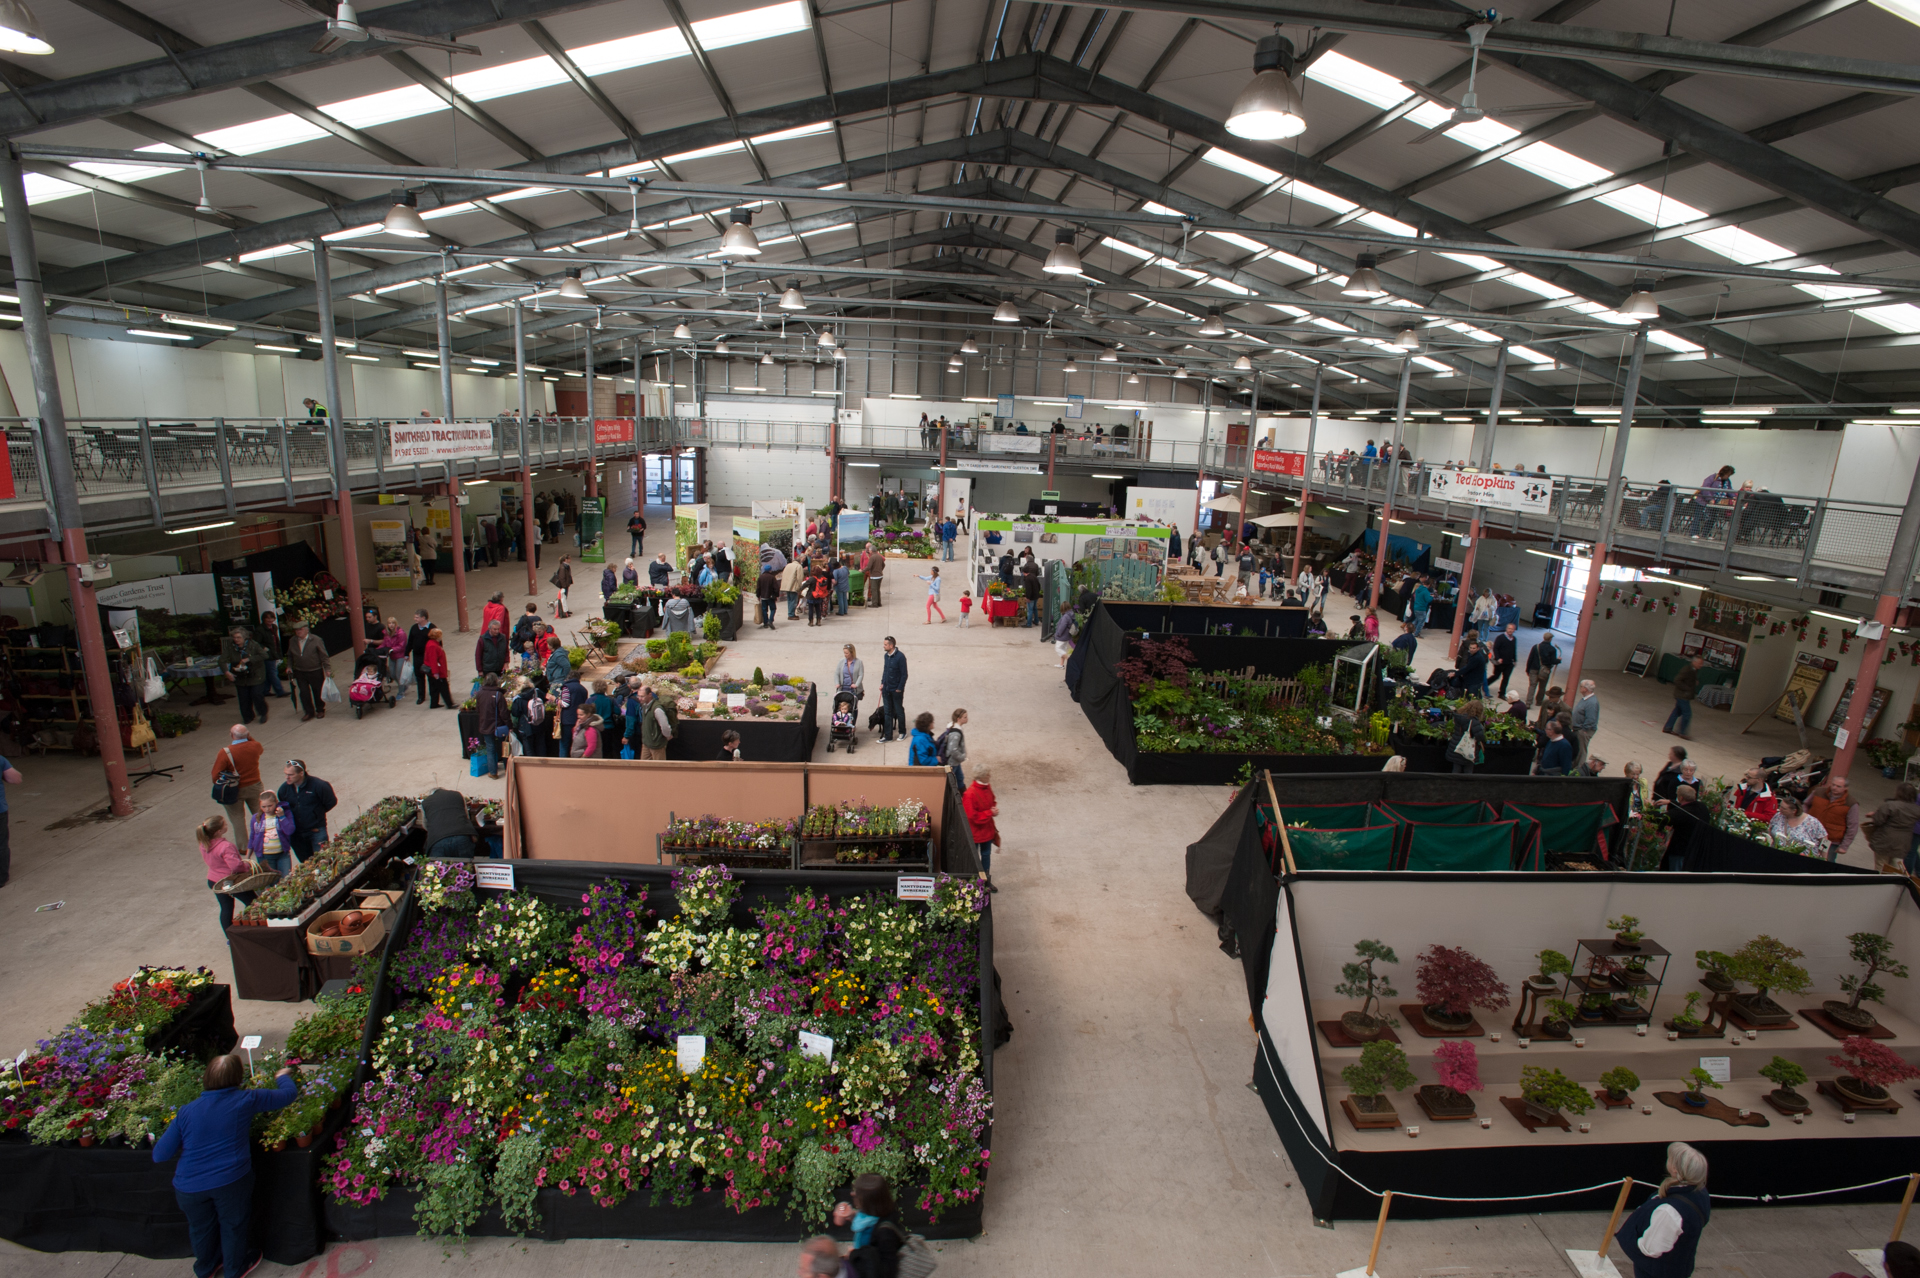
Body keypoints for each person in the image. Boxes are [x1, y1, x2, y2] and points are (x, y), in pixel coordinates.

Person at [153, 1053, 297, 1278]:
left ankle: (205, 1269)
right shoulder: (245, 1100)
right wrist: (282, 1075)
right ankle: (234, 1269)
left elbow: (160, 1155)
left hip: (188, 1187)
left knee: (200, 1228)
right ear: (238, 1078)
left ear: (206, 1077)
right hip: (230, 1181)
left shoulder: (186, 1111)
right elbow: (288, 1095)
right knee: (233, 1225)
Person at [1614, 1143, 1710, 1278]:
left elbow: (1651, 1248)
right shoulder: (1700, 1193)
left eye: (1670, 1158)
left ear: (1675, 1169)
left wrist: (1634, 1242)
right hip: (1680, 1267)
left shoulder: (1669, 1211)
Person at [196, 815, 253, 931]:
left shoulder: (204, 844)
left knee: (226, 908)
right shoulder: (226, 846)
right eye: (225, 825)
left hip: (214, 880)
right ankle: (253, 929)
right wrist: (246, 867)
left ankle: (230, 937)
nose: (227, 825)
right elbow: (235, 865)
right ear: (219, 832)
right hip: (230, 881)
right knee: (252, 902)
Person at [212, 724, 264, 842]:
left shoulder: (225, 753)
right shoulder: (255, 746)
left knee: (237, 818)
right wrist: (249, 738)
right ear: (248, 735)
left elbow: (215, 774)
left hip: (233, 789)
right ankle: (264, 840)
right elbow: (259, 749)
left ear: (231, 735)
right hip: (254, 785)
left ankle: (243, 847)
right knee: (259, 814)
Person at [277, 760, 337, 862]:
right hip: (297, 835)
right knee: (306, 863)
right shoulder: (284, 789)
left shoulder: (319, 786)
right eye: (286, 774)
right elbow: (284, 806)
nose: (287, 777)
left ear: (301, 773)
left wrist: (316, 814)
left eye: (290, 774)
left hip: (316, 831)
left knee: (323, 860)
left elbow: (331, 802)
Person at [1862, 781, 1920, 873]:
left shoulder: (1890, 805)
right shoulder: (1917, 810)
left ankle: (1879, 884)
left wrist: (1873, 815)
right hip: (1902, 843)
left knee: (1881, 867)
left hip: (1884, 840)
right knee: (1895, 869)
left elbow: (1878, 821)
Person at [220, 626, 270, 726]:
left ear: (244, 638)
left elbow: (265, 655)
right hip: (240, 675)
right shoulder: (230, 647)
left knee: (256, 694)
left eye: (238, 637)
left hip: (255, 674)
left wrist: (249, 659)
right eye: (234, 637)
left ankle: (263, 712)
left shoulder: (253, 645)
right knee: (243, 697)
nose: (236, 640)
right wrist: (226, 672)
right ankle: (247, 716)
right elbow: (221, 660)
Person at [1805, 775, 1860, 859]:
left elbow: (1853, 826)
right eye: (1833, 785)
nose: (1834, 788)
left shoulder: (1851, 803)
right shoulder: (1818, 792)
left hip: (1828, 840)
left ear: (1845, 788)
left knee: (1823, 861)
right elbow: (1806, 804)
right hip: (1809, 833)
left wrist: (1844, 846)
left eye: (1838, 786)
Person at [285, 620, 331, 721]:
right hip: (300, 671)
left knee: (317, 691)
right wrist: (289, 666)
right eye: (296, 630)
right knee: (304, 692)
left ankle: (320, 709)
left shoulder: (316, 640)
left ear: (307, 630)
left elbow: (324, 655)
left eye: (300, 630)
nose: (298, 632)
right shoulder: (292, 641)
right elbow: (289, 655)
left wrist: (327, 668)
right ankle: (308, 712)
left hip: (315, 670)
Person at [1663, 783, 1710, 871]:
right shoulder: (1702, 807)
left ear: (1681, 798)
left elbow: (1664, 818)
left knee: (1676, 875)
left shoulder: (1681, 813)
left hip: (1680, 851)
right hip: (1696, 850)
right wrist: (1672, 802)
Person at [248, 791, 296, 877]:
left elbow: (289, 830)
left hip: (282, 854)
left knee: (287, 878)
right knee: (271, 882)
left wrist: (282, 817)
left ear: (276, 803)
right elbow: (252, 837)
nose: (267, 809)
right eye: (263, 807)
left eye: (270, 806)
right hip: (265, 856)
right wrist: (247, 856)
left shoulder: (285, 813)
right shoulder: (256, 818)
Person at [421, 787, 477, 858]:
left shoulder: (425, 802)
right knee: (465, 867)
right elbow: (466, 817)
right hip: (462, 836)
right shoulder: (457, 795)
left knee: (440, 868)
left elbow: (425, 825)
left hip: (437, 840)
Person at [475, 673, 508, 779]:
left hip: (485, 725)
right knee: (504, 747)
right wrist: (509, 725)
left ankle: (493, 772)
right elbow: (504, 713)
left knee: (490, 748)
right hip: (499, 726)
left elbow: (478, 710)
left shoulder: (479, 694)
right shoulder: (498, 695)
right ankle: (508, 769)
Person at [1663, 655, 1705, 739]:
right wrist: (1687, 689)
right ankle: (1682, 732)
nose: (1701, 665)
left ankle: (1668, 727)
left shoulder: (1694, 670)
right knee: (1687, 713)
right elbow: (1677, 680)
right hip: (1682, 695)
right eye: (1700, 663)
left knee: (1677, 711)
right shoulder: (1687, 670)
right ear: (1694, 662)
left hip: (1684, 695)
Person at [634, 683, 674, 760]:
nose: (639, 698)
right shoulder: (644, 705)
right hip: (646, 743)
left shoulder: (657, 709)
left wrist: (667, 735)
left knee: (659, 768)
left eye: (642, 696)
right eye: (638, 696)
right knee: (643, 767)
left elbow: (664, 725)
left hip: (657, 745)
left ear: (649, 695)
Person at [880, 637, 907, 743]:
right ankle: (888, 736)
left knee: (899, 711)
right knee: (887, 712)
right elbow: (885, 670)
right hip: (886, 689)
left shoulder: (900, 657)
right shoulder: (886, 656)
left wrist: (899, 688)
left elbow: (904, 674)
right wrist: (882, 683)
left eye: (885, 644)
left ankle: (902, 732)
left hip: (896, 690)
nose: (884, 646)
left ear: (891, 646)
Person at [403, 609, 433, 705]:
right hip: (417, 656)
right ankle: (421, 696)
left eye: (417, 617)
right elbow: (410, 641)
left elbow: (438, 643)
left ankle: (433, 695)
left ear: (423, 618)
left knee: (430, 676)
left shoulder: (432, 628)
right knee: (419, 677)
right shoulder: (414, 628)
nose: (414, 619)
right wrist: (406, 653)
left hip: (428, 657)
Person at [1569, 679, 1600, 769]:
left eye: (1581, 686)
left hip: (1583, 730)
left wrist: (1584, 730)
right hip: (1578, 728)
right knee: (1577, 749)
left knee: (1581, 751)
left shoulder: (1592, 703)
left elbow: (1591, 719)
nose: (1580, 688)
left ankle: (1579, 769)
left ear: (1585, 689)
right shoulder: (1586, 699)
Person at [257, 611, 288, 700]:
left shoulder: (274, 627)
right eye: (268, 618)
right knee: (273, 673)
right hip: (266, 655)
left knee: (268, 672)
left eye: (272, 618)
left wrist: (278, 653)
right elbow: (256, 643)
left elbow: (276, 641)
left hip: (273, 653)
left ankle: (265, 691)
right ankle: (280, 691)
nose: (270, 620)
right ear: (263, 619)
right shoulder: (260, 630)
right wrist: (264, 648)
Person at [1525, 632, 1561, 707]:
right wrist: (1558, 660)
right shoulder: (1552, 649)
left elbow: (1530, 659)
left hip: (1533, 669)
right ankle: (1539, 701)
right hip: (1545, 671)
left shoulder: (1536, 647)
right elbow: (1552, 661)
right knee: (1542, 687)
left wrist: (1528, 669)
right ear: (1550, 639)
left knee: (1532, 686)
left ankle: (1528, 702)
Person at [1449, 700, 1485, 774]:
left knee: (1456, 769)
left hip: (1457, 747)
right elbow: (1480, 736)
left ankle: (1452, 784)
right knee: (1468, 770)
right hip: (1468, 749)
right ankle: (1467, 785)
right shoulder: (1474, 721)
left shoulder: (1458, 716)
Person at [423, 627, 452, 709]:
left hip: (434, 670)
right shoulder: (433, 645)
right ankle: (449, 703)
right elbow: (433, 660)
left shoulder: (431, 643)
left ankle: (434, 703)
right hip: (437, 671)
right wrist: (435, 672)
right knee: (444, 688)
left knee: (434, 688)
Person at [939, 709, 969, 789]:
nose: (967, 719)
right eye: (965, 717)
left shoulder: (952, 727)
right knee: (950, 781)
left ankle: (963, 795)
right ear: (958, 719)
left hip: (956, 762)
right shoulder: (956, 734)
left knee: (960, 778)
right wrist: (962, 757)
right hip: (952, 762)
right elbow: (953, 750)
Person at [474, 617, 510, 681]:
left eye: (498, 629)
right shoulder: (482, 639)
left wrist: (506, 662)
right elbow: (478, 655)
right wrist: (480, 670)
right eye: (495, 629)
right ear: (489, 629)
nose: (497, 631)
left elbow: (506, 651)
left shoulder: (503, 638)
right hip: (488, 670)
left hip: (500, 668)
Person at [1491, 622, 1519, 697]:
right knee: (1496, 676)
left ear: (1514, 630)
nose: (1510, 630)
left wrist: (1515, 660)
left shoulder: (1514, 639)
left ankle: (1502, 693)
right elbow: (1495, 648)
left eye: (1512, 629)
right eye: (1509, 628)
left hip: (1509, 663)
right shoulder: (1500, 638)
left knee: (1506, 678)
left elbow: (1514, 649)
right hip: (1500, 662)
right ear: (1506, 629)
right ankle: (1485, 684)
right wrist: (1498, 658)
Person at [756, 565, 781, 629]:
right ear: (770, 570)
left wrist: (758, 595)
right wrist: (776, 595)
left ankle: (765, 623)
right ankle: (770, 620)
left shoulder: (760, 577)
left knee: (764, 610)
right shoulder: (772, 577)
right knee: (773, 609)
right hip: (771, 596)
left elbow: (758, 588)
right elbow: (776, 588)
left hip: (763, 596)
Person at [1021, 561, 1042, 627]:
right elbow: (1039, 586)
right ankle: (1036, 621)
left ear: (1024, 572)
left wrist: (1028, 597)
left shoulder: (1027, 579)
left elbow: (1028, 589)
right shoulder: (1034, 576)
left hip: (1031, 597)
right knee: (1035, 608)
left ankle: (1029, 624)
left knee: (1029, 610)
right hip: (1036, 595)